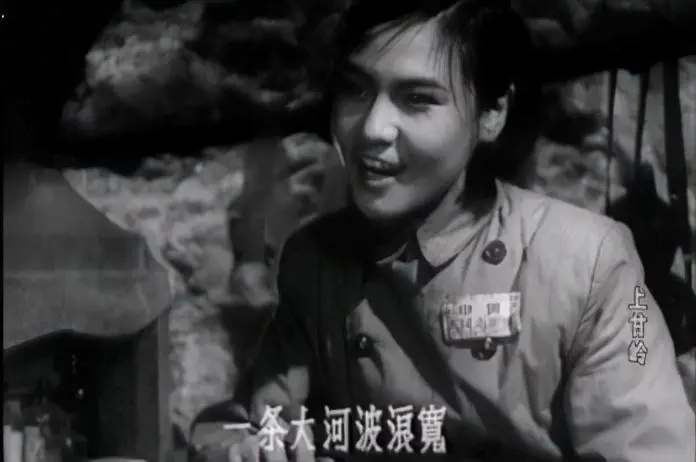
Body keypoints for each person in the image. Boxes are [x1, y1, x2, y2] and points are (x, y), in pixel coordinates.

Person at [191, 1, 696, 461]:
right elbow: (250, 420)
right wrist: (244, 450)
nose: (372, 129)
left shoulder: (591, 262)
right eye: (356, 89)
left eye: (416, 99)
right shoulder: (317, 264)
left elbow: (652, 447)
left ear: (492, 112)